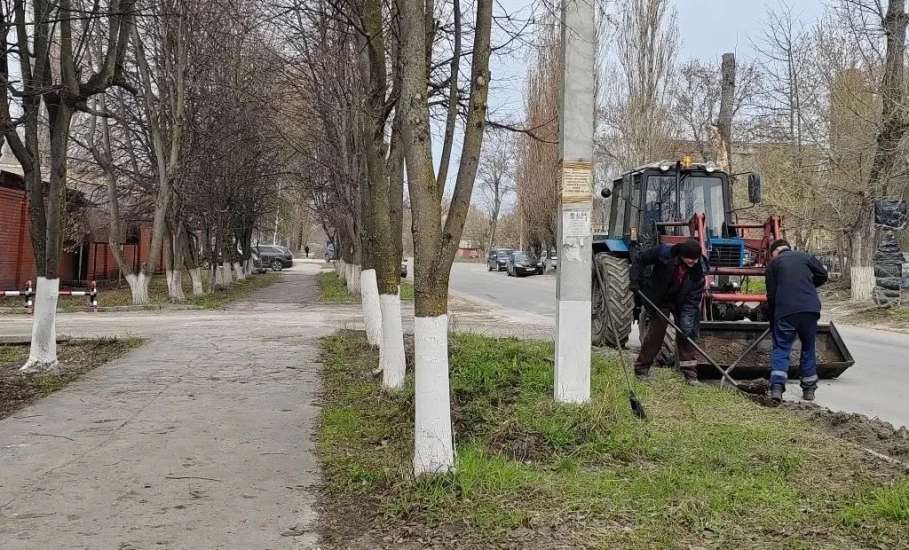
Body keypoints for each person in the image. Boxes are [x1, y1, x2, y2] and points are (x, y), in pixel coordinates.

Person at [630, 239, 707, 385]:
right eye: (689, 260)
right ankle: (641, 369)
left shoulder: (699, 273)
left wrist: (686, 324)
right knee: (657, 331)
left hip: (683, 300)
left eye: (694, 260)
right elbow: (641, 259)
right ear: (681, 255)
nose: (692, 263)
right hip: (660, 296)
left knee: (687, 332)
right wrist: (635, 279)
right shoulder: (664, 253)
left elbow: (692, 302)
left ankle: (691, 375)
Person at [765, 239, 829, 403]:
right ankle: (809, 390)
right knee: (808, 347)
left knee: (781, 348)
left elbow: (771, 296)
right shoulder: (806, 257)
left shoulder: (774, 264)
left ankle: (777, 389)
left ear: (774, 252)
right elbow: (823, 274)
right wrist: (807, 284)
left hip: (786, 312)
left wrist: (773, 321)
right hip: (810, 310)